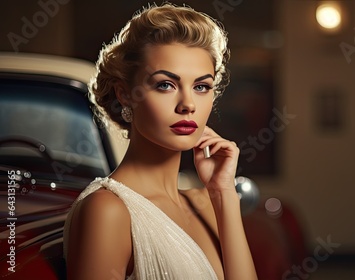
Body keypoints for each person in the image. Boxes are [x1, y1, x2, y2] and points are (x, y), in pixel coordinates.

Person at [63, 3, 257, 280]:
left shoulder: (205, 202)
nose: (188, 104)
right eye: (165, 84)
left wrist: (223, 191)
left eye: (201, 86)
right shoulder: (107, 210)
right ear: (125, 94)